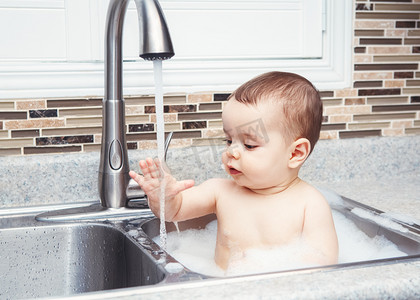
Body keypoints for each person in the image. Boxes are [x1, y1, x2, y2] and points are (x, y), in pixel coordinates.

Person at [129, 71, 338, 270]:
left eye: (249, 145)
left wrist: (268, 268)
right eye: (228, 140)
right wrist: (162, 198)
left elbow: (323, 261)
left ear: (295, 153)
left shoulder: (310, 204)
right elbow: (174, 211)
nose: (232, 152)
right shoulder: (220, 191)